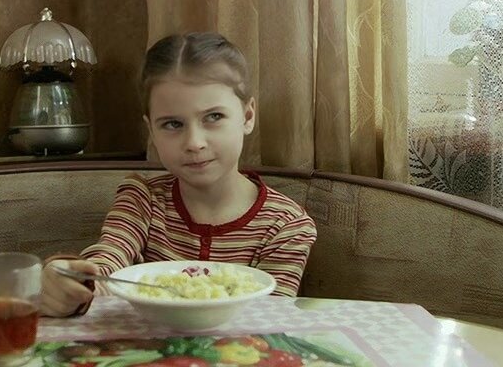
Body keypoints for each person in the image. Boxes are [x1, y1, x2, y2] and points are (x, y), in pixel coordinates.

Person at [39, 32, 317, 317]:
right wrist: (74, 282)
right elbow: (108, 260)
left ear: (247, 117)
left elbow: (272, 317)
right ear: (151, 130)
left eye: (214, 117)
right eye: (173, 124)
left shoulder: (286, 225)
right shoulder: (142, 199)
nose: (194, 143)